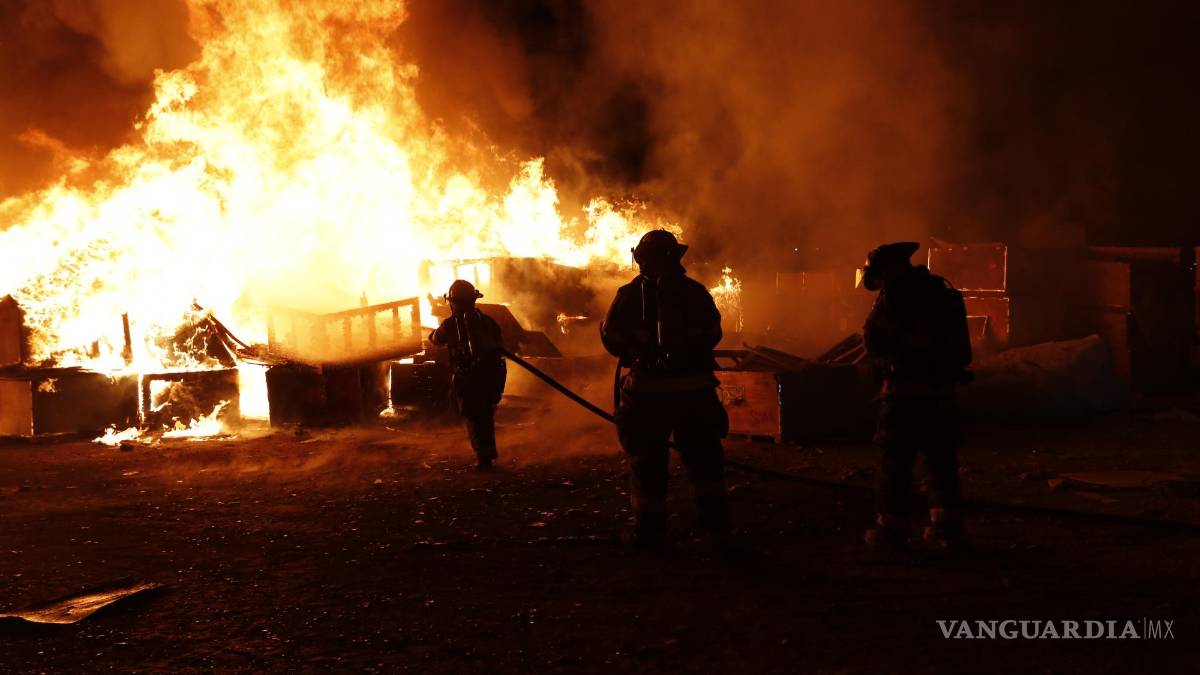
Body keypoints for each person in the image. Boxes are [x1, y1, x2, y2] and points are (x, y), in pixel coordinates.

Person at [600, 229, 731, 551]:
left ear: (641, 258)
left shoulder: (628, 295)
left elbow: (612, 339)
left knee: (647, 464)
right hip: (694, 392)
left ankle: (650, 533)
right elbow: (713, 333)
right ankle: (716, 532)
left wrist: (639, 350)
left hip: (646, 394)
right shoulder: (695, 292)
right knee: (705, 463)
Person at [858, 241, 972, 550]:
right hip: (941, 393)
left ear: (887, 271)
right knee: (941, 461)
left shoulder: (895, 298)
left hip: (904, 394)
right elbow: (960, 349)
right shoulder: (940, 292)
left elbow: (873, 340)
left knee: (895, 462)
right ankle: (946, 527)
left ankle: (891, 529)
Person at [429, 280, 507, 471]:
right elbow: (500, 341)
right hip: (490, 377)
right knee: (485, 416)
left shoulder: (450, 325)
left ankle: (484, 459)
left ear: (453, 302)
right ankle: (487, 454)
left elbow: (435, 339)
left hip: (469, 378)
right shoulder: (487, 321)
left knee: (474, 417)